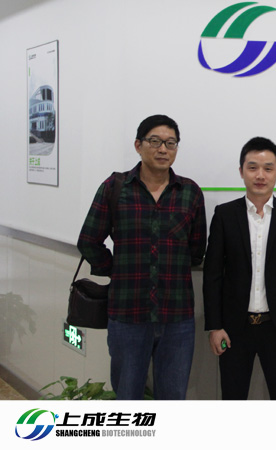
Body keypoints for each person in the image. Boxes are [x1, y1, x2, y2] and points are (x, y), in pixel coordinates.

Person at [77, 114, 206, 400]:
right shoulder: (115, 187)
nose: (163, 149)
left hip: (177, 316)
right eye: (155, 141)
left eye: (171, 143)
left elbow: (197, 249)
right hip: (127, 313)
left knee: (173, 397)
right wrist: (116, 270)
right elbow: (88, 241)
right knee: (127, 397)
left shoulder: (190, 193)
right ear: (138, 145)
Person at [203, 137, 276, 400]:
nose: (260, 175)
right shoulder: (225, 214)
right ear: (241, 171)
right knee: (233, 397)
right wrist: (215, 326)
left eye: (268, 168)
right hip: (234, 328)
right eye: (252, 167)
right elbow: (213, 275)